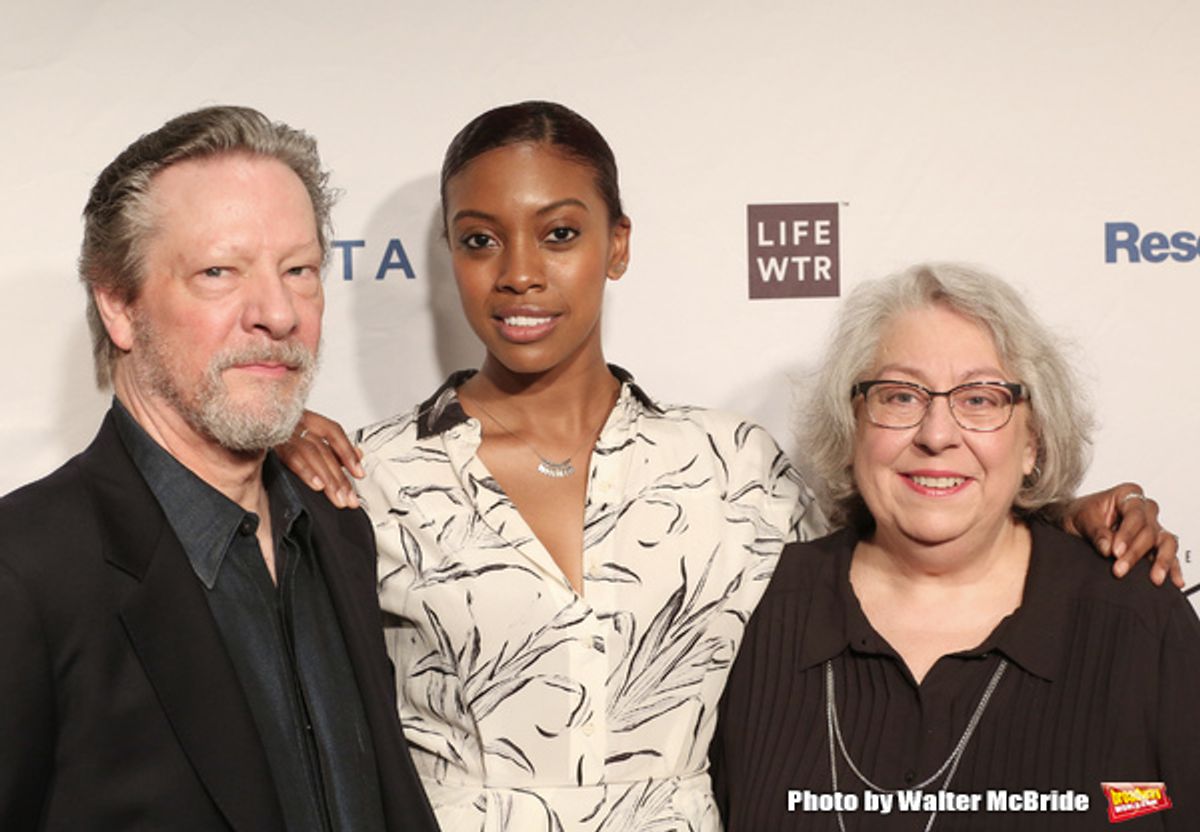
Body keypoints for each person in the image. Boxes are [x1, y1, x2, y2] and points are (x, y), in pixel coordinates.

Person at [279, 103, 1179, 832]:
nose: (519, 274)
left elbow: (912, 529)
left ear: (617, 244)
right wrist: (257, 447)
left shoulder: (730, 467)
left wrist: (1059, 516)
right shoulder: (367, 477)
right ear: (449, 257)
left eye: (558, 233)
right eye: (480, 241)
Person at [0, 106, 438, 831]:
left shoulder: (336, 524)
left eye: (299, 270)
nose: (276, 312)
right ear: (118, 305)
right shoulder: (25, 570)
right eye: (218, 272)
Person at [711, 263, 1199, 831]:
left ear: (1032, 442)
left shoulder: (1135, 620)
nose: (937, 434)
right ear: (853, 428)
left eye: (981, 399)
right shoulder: (753, 607)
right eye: (899, 396)